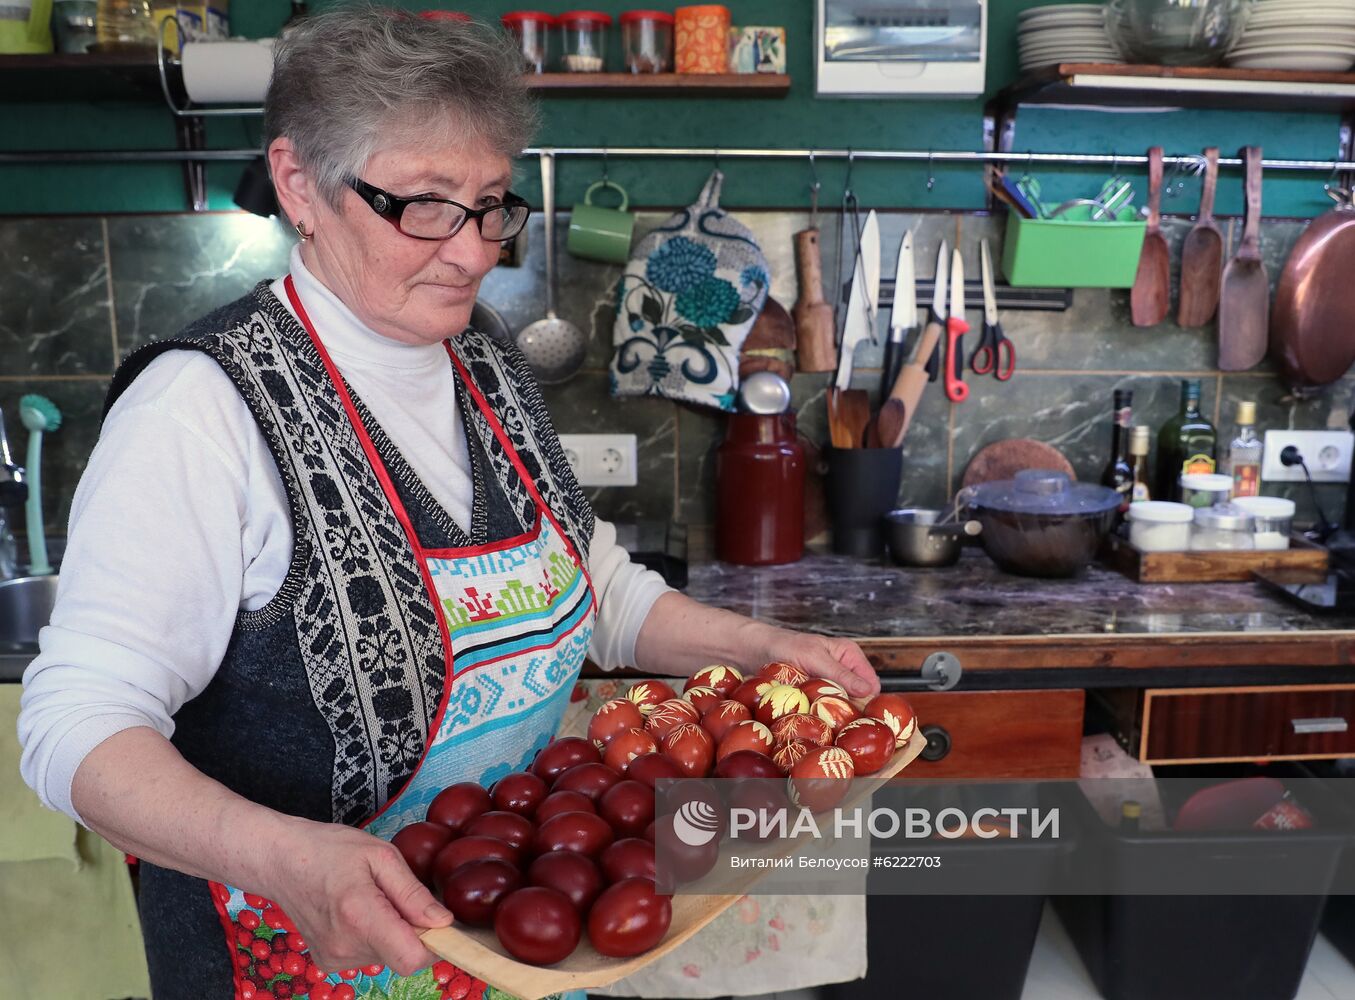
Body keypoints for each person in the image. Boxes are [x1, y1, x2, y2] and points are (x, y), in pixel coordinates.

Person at [17, 9, 880, 1000]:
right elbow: (75, 721)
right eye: (425, 205)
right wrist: (288, 859)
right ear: (300, 184)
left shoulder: (484, 364)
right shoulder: (203, 409)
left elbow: (592, 584)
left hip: (511, 945)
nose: (473, 252)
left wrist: (758, 650)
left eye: (489, 202)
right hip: (300, 969)